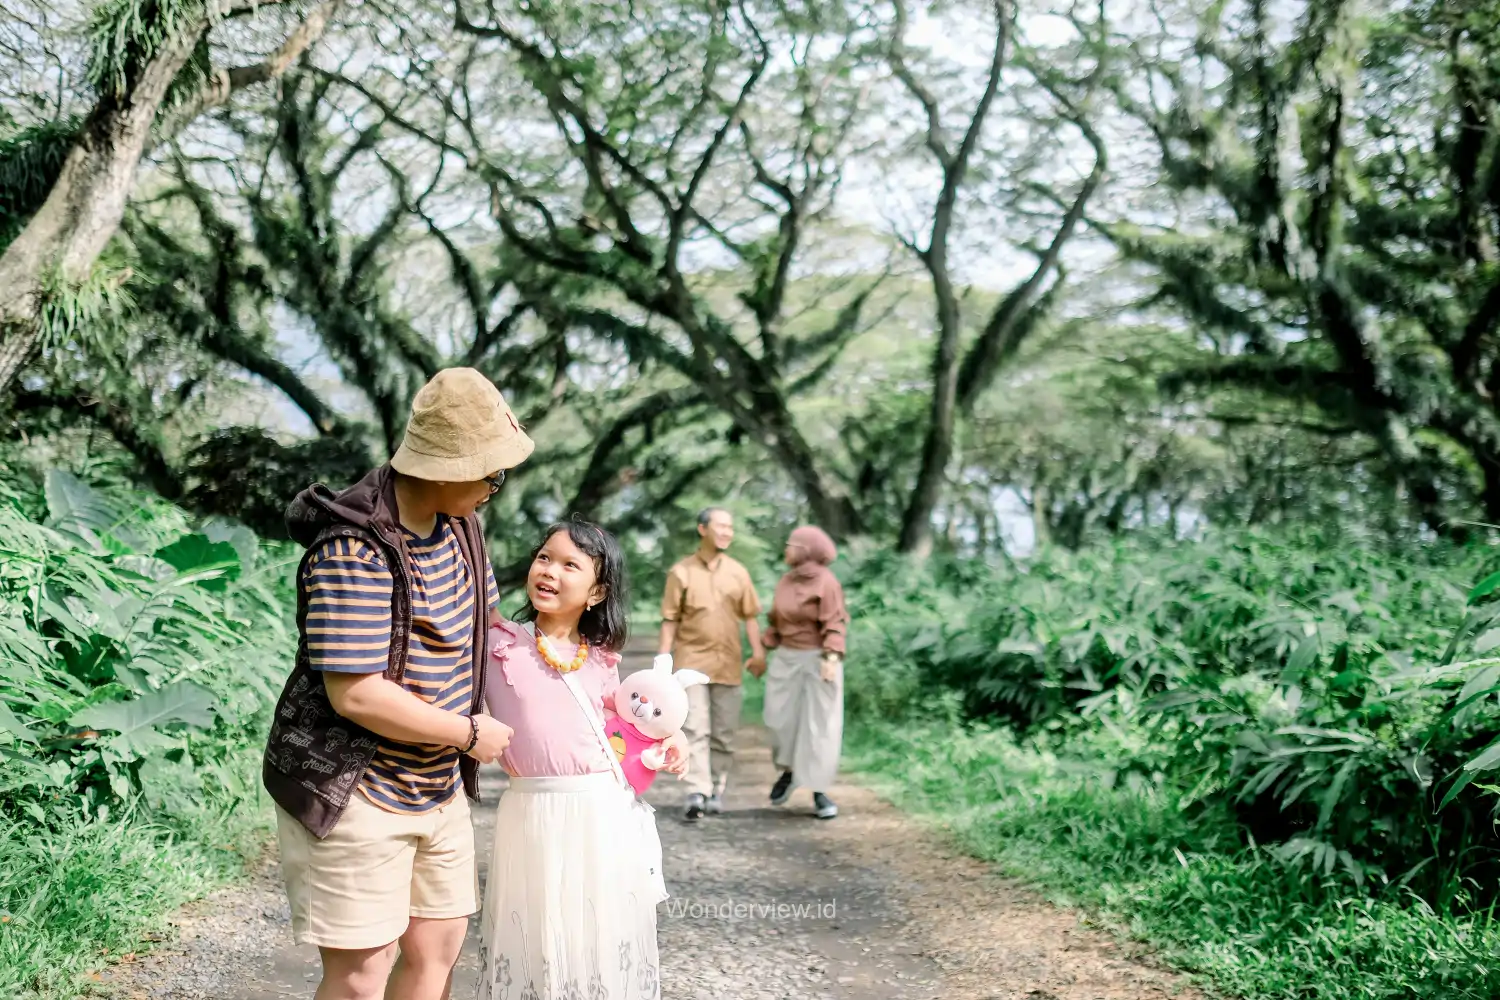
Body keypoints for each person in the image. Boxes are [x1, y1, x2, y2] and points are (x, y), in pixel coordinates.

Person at [262, 367, 529, 1000]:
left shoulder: (461, 525)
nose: (495, 487)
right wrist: (468, 734)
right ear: (443, 470)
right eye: (490, 474)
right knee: (361, 973)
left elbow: (490, 627)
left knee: (437, 950)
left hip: (434, 782)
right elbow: (356, 694)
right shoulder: (354, 549)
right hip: (356, 785)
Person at [477, 519, 688, 1000]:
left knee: (596, 934)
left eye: (570, 565)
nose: (549, 571)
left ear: (597, 592)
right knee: (537, 934)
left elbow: (630, 720)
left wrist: (674, 735)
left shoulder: (600, 657)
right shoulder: (498, 643)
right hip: (532, 811)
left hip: (600, 813)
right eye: (544, 558)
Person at [657, 507, 765, 820]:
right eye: (721, 526)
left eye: (730, 527)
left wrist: (758, 653)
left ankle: (717, 787)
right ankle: (697, 790)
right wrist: (662, 661)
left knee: (724, 732)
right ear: (702, 529)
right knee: (694, 727)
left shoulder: (738, 573)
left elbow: (751, 617)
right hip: (691, 663)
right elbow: (670, 620)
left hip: (728, 664)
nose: (727, 532)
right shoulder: (681, 572)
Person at [762, 525, 849, 820]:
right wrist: (763, 646)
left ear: (806, 550)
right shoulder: (785, 581)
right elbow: (776, 622)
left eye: (791, 545)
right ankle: (788, 772)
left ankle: (818, 790)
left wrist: (831, 657)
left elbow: (835, 623)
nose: (786, 549)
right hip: (786, 656)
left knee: (819, 727)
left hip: (819, 658)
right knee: (777, 720)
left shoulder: (827, 582)